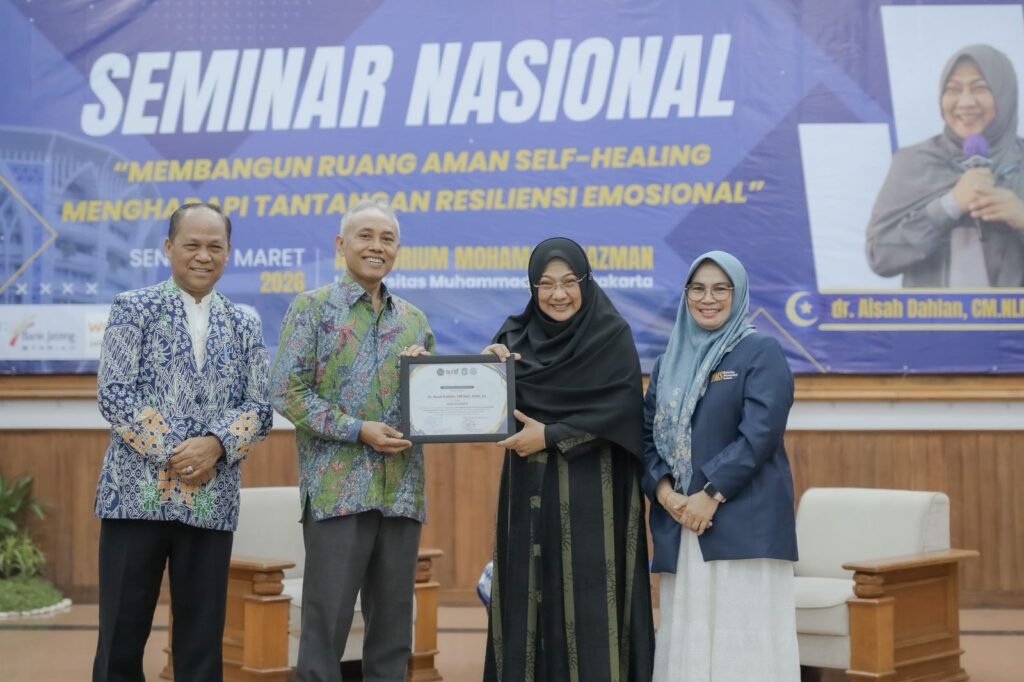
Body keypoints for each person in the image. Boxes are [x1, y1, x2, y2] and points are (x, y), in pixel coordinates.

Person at [93, 203, 273, 682]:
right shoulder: (134, 307)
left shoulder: (246, 323)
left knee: (201, 640)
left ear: (229, 253)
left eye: (215, 246)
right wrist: (179, 451)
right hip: (134, 499)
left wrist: (214, 444)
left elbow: (259, 407)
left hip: (210, 500)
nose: (203, 256)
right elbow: (114, 394)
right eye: (191, 245)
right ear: (169, 247)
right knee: (121, 636)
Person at [270, 199, 434, 682]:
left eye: (386, 239)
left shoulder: (414, 320)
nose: (376, 246)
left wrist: (476, 376)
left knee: (392, 634)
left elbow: (430, 405)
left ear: (398, 249)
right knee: (325, 631)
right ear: (341, 244)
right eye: (365, 236)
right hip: (338, 492)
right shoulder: (313, 308)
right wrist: (356, 429)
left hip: (402, 493)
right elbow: (284, 390)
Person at [482, 237, 655, 682]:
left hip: (593, 489)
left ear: (585, 281)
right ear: (532, 287)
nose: (558, 294)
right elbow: (489, 413)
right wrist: (482, 371)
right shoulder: (511, 337)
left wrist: (552, 435)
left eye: (568, 282)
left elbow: (622, 409)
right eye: (545, 284)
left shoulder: (610, 334)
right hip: (529, 490)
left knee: (591, 602)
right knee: (528, 596)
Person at [642, 251, 799, 681]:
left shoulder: (759, 351)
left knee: (742, 638)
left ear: (738, 293)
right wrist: (667, 494)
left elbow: (760, 435)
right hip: (682, 523)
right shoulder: (667, 363)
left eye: (720, 288)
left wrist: (709, 495)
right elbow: (645, 440)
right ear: (686, 295)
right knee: (690, 635)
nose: (707, 298)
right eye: (698, 288)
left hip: (743, 524)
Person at [867, 44, 1024, 287]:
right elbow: (880, 256)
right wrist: (949, 205)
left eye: (980, 88)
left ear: (1004, 94)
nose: (965, 102)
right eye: (953, 90)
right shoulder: (914, 162)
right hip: (933, 321)